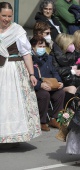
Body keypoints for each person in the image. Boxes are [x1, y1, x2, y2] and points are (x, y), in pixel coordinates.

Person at [0, 2, 41, 143]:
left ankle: (13, 136)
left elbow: (26, 54)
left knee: (12, 102)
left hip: (13, 70)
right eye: (3, 15)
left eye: (9, 16)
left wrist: (31, 74)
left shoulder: (17, 31)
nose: (6, 19)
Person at [30, 36, 65, 131]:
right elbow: (28, 76)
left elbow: (55, 72)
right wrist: (39, 85)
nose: (42, 48)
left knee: (60, 93)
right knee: (44, 94)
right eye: (39, 46)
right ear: (33, 47)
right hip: (36, 87)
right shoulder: (29, 59)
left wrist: (59, 82)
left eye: (43, 46)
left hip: (50, 85)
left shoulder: (49, 58)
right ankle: (42, 121)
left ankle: (55, 119)